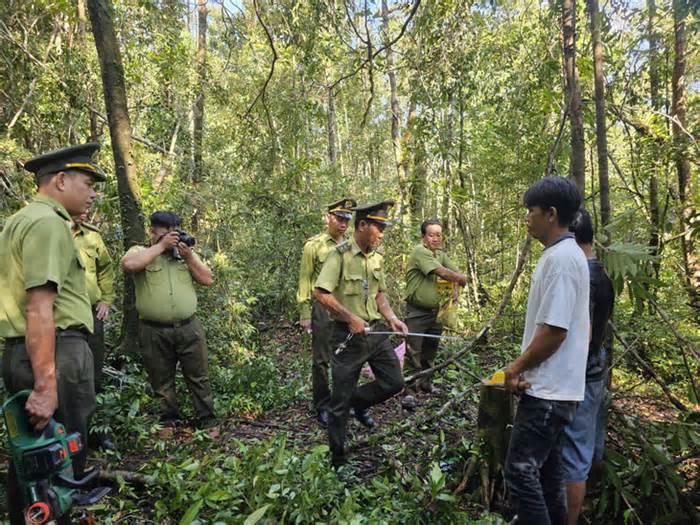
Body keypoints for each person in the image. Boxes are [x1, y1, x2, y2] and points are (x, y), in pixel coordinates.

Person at [0, 143, 105, 522]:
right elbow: (40, 306)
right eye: (88, 182)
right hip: (54, 354)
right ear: (61, 180)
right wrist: (46, 384)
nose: (93, 192)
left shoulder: (20, 220)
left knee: (32, 461)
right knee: (57, 465)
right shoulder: (48, 224)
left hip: (27, 351)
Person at [503, 176, 589, 525]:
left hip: (549, 393)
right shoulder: (561, 255)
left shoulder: (563, 260)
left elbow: (554, 332)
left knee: (519, 471)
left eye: (532, 211)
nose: (528, 218)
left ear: (551, 214)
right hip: (554, 388)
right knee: (546, 475)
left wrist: (515, 368)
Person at [314, 200, 408, 467]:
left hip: (376, 332)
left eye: (383, 227)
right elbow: (321, 293)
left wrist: (391, 318)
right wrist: (350, 317)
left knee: (394, 382)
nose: (382, 233)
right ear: (363, 225)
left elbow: (379, 294)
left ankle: (355, 403)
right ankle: (338, 459)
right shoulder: (340, 255)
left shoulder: (376, 258)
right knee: (340, 401)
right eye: (378, 227)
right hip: (347, 336)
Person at [121, 211, 217, 431]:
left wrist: (189, 257)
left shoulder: (183, 254)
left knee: (198, 376)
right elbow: (129, 265)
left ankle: (208, 421)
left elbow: (207, 279)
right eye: (166, 234)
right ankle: (167, 422)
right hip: (154, 330)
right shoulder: (140, 251)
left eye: (174, 233)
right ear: (153, 232)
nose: (173, 238)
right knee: (161, 380)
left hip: (188, 327)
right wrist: (160, 247)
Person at [561, 208, 614, 525]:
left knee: (574, 450)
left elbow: (584, 335)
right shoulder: (600, 272)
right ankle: (586, 497)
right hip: (596, 364)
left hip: (584, 367)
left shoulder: (586, 277)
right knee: (590, 440)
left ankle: (569, 517)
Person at [297, 198, 356, 427]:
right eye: (339, 218)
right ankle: (322, 405)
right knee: (321, 359)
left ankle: (341, 402)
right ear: (328, 218)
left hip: (345, 309)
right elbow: (305, 279)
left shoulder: (352, 245)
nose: (343, 223)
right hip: (322, 308)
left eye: (346, 219)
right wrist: (304, 313)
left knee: (346, 358)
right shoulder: (314, 245)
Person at [402, 219, 468, 410]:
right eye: (431, 234)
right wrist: (460, 279)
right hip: (417, 312)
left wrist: (457, 283)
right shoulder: (420, 252)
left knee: (430, 350)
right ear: (424, 236)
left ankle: (425, 383)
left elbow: (454, 271)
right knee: (413, 351)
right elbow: (444, 273)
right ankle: (409, 393)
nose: (435, 238)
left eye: (438, 235)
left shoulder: (439, 254)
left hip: (435, 312)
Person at [72, 210, 117, 451]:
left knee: (94, 374)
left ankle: (91, 431)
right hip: (61, 315)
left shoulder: (92, 236)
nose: (86, 208)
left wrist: (106, 299)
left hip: (91, 313)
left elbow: (106, 269)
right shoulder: (50, 230)